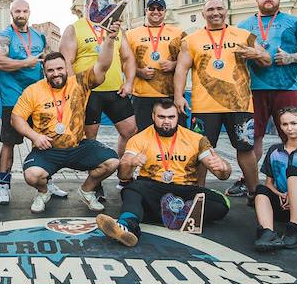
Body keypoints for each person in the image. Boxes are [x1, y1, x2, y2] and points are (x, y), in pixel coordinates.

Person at [10, 33, 122, 214]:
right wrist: (34, 136)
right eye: (51, 70)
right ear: (44, 72)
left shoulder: (79, 82)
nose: (56, 74)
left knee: (112, 162)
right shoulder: (33, 91)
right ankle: (43, 192)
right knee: (32, 175)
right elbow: (16, 118)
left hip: (77, 146)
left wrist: (109, 39)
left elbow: (103, 66)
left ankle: (87, 191)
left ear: (66, 68)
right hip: (48, 150)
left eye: (59, 69)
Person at [96, 99, 232, 247]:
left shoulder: (197, 139)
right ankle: (126, 227)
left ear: (178, 117)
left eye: (171, 117)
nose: (166, 122)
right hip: (153, 188)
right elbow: (123, 176)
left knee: (222, 203)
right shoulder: (139, 139)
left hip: (185, 190)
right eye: (161, 117)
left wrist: (224, 168)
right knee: (131, 189)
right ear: (153, 116)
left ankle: (169, 213)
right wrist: (131, 163)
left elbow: (222, 175)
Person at [174, 0, 270, 195]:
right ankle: (197, 193)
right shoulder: (191, 39)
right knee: (201, 150)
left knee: (245, 148)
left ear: (226, 11)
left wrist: (255, 54)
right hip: (204, 106)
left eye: (219, 8)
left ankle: (254, 192)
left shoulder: (244, 35)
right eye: (210, 9)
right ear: (203, 14)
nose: (215, 13)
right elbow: (181, 70)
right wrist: (179, 96)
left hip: (239, 104)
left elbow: (267, 60)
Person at [237, 0, 297, 198]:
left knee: (293, 135)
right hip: (253, 89)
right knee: (251, 138)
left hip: (288, 87)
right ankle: (251, 183)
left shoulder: (294, 22)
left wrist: (292, 57)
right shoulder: (243, 25)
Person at [59, 0, 137, 201]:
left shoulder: (117, 29)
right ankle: (96, 181)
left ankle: (124, 175)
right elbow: (66, 61)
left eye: (105, 11)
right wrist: (76, 89)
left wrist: (129, 82)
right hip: (88, 91)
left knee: (130, 130)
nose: (101, 15)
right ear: (86, 8)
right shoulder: (75, 28)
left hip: (114, 90)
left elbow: (128, 58)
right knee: (90, 138)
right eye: (97, 10)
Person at [0, 0, 50, 205]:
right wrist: (27, 62)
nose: (21, 14)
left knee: (43, 139)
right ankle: (3, 185)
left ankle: (46, 181)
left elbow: (45, 63)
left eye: (25, 10)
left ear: (30, 12)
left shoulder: (39, 36)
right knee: (9, 143)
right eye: (17, 11)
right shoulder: (3, 36)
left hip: (37, 98)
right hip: (12, 98)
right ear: (11, 13)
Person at [252, 107, 297, 251]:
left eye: (293, 123)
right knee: (260, 189)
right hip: (282, 204)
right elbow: (269, 183)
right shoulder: (274, 150)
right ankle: (268, 232)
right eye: (285, 124)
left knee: (292, 172)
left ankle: (295, 227)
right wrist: (281, 195)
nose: (289, 128)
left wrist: (294, 197)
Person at [126, 0, 186, 131]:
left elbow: (190, 59)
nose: (156, 11)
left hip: (170, 94)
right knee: (142, 135)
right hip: (142, 96)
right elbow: (124, 61)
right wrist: (139, 71)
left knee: (174, 133)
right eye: (152, 8)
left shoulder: (178, 33)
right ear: (146, 11)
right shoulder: (131, 34)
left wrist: (174, 64)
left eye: (160, 8)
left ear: (165, 11)